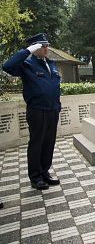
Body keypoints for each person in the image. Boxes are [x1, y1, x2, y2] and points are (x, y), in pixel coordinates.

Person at [2, 33, 61, 190]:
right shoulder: (26, 64)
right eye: (42, 46)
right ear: (34, 48)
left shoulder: (50, 63)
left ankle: (44, 172)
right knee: (37, 143)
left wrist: (58, 107)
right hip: (37, 110)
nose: (45, 49)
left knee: (49, 143)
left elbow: (55, 87)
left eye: (46, 46)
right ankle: (35, 177)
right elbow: (6, 66)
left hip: (52, 109)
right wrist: (26, 51)